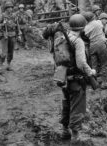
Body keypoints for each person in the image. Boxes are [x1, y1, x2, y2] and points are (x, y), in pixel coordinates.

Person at [42, 14, 96, 142]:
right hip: (77, 80)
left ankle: (65, 131)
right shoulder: (78, 41)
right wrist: (91, 72)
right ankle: (76, 136)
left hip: (63, 78)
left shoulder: (60, 38)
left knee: (66, 104)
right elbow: (81, 63)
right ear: (83, 27)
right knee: (77, 106)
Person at [83, 11, 107, 89]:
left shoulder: (86, 27)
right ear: (93, 17)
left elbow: (85, 36)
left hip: (92, 46)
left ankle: (94, 83)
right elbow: (103, 29)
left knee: (94, 66)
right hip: (100, 44)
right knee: (105, 64)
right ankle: (104, 83)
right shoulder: (98, 23)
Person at [0, 1, 20, 72]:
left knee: (11, 52)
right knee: (4, 53)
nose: (10, 9)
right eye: (9, 8)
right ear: (6, 9)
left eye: (11, 7)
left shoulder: (14, 16)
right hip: (5, 36)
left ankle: (8, 65)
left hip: (13, 36)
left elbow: (17, 26)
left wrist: (19, 34)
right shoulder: (2, 16)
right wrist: (2, 24)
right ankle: (0, 66)